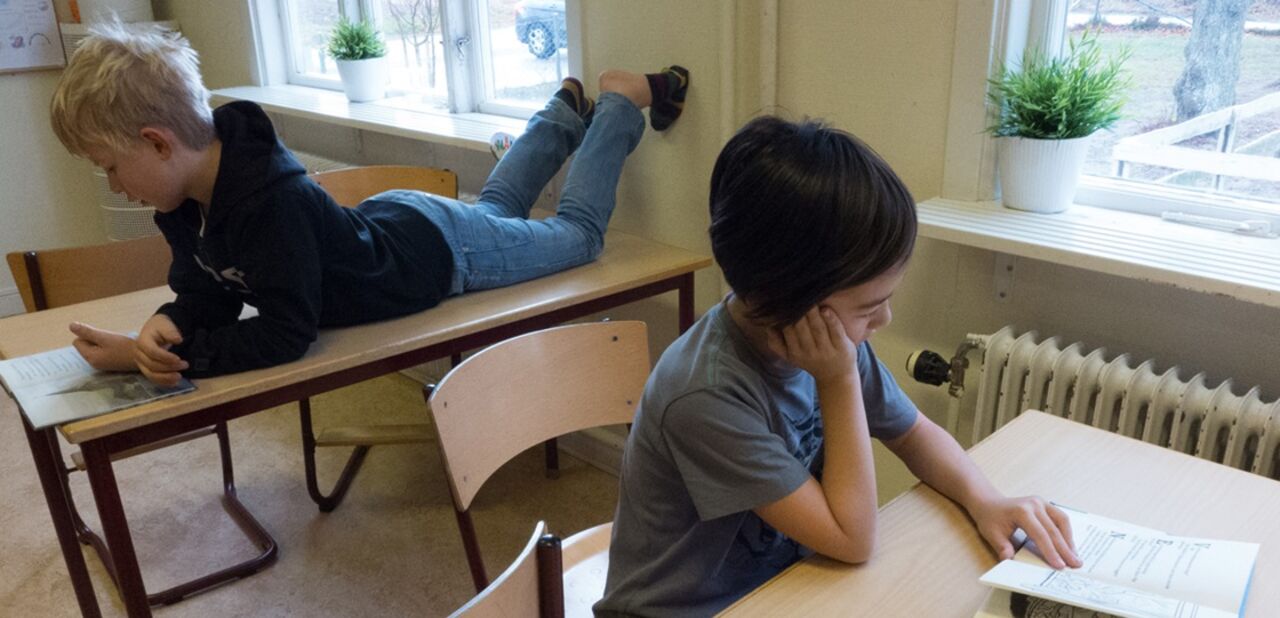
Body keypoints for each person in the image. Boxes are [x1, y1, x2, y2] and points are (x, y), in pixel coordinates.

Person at [595, 116, 1081, 616]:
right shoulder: (705, 395)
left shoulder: (822, 337)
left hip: (785, 588)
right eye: (870, 308)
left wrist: (985, 500)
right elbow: (853, 538)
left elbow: (913, 434)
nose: (884, 320)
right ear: (792, 299)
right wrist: (839, 379)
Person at [47, 23, 689, 385]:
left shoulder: (269, 203)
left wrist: (152, 357)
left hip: (438, 255)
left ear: (158, 142)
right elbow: (211, 287)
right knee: (494, 211)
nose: (114, 187)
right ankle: (559, 113)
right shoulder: (186, 199)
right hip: (407, 225)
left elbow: (286, 332)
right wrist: (173, 320)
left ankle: (615, 102)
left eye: (110, 167)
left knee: (577, 235)